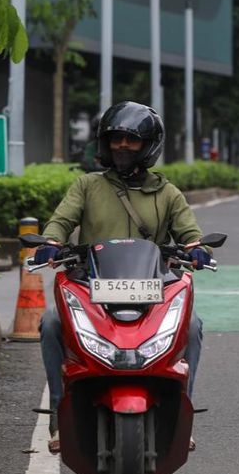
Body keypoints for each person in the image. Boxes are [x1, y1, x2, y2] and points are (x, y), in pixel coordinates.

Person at [34, 101, 211, 454]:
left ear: (148, 145)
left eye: (132, 139)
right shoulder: (87, 185)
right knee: (51, 323)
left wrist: (197, 249)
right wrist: (51, 243)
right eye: (116, 139)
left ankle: (181, 418)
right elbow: (61, 221)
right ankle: (58, 416)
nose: (123, 146)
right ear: (105, 142)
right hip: (91, 284)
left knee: (192, 327)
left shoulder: (167, 193)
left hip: (153, 287)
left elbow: (190, 233)